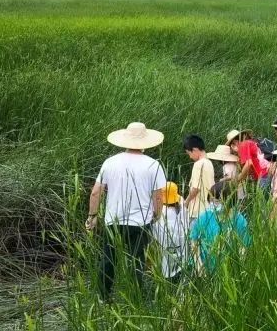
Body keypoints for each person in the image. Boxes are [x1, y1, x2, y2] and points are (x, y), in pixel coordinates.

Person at [87, 122, 167, 301]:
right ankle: (135, 298)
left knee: (108, 259)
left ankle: (103, 297)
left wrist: (92, 216)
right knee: (137, 260)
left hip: (113, 221)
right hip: (140, 222)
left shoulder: (110, 162)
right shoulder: (153, 165)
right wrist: (157, 214)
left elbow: (95, 192)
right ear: (145, 142)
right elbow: (158, 197)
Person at [189, 180, 251, 273]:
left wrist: (238, 269)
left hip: (229, 270)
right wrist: (199, 267)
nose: (213, 204)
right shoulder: (204, 217)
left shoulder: (239, 220)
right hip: (205, 269)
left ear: (230, 200)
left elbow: (243, 246)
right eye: (211, 200)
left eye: (217, 201)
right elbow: (194, 242)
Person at [152, 182, 188, 284]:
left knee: (167, 273)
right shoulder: (182, 209)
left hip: (165, 250)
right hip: (182, 250)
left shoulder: (161, 213)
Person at [226, 129, 270, 195]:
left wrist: (239, 178)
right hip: (266, 172)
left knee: (262, 198)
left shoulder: (243, 145)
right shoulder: (249, 142)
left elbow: (248, 164)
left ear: (233, 144)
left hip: (263, 175)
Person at [183, 135, 215, 223]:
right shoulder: (209, 163)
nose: (190, 157)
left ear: (195, 150)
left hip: (197, 210)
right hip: (208, 208)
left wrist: (186, 202)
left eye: (189, 153)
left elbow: (195, 188)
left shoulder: (198, 164)